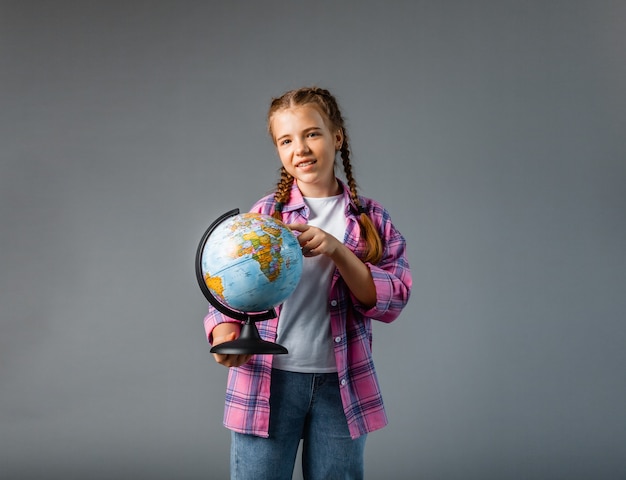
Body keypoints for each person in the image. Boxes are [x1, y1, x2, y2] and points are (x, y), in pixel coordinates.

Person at [203, 86, 412, 480]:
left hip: (341, 385)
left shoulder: (372, 219)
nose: (300, 148)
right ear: (280, 151)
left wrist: (338, 250)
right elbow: (226, 289)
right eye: (286, 140)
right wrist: (224, 333)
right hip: (268, 381)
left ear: (337, 137)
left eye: (312, 134)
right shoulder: (267, 213)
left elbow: (391, 300)